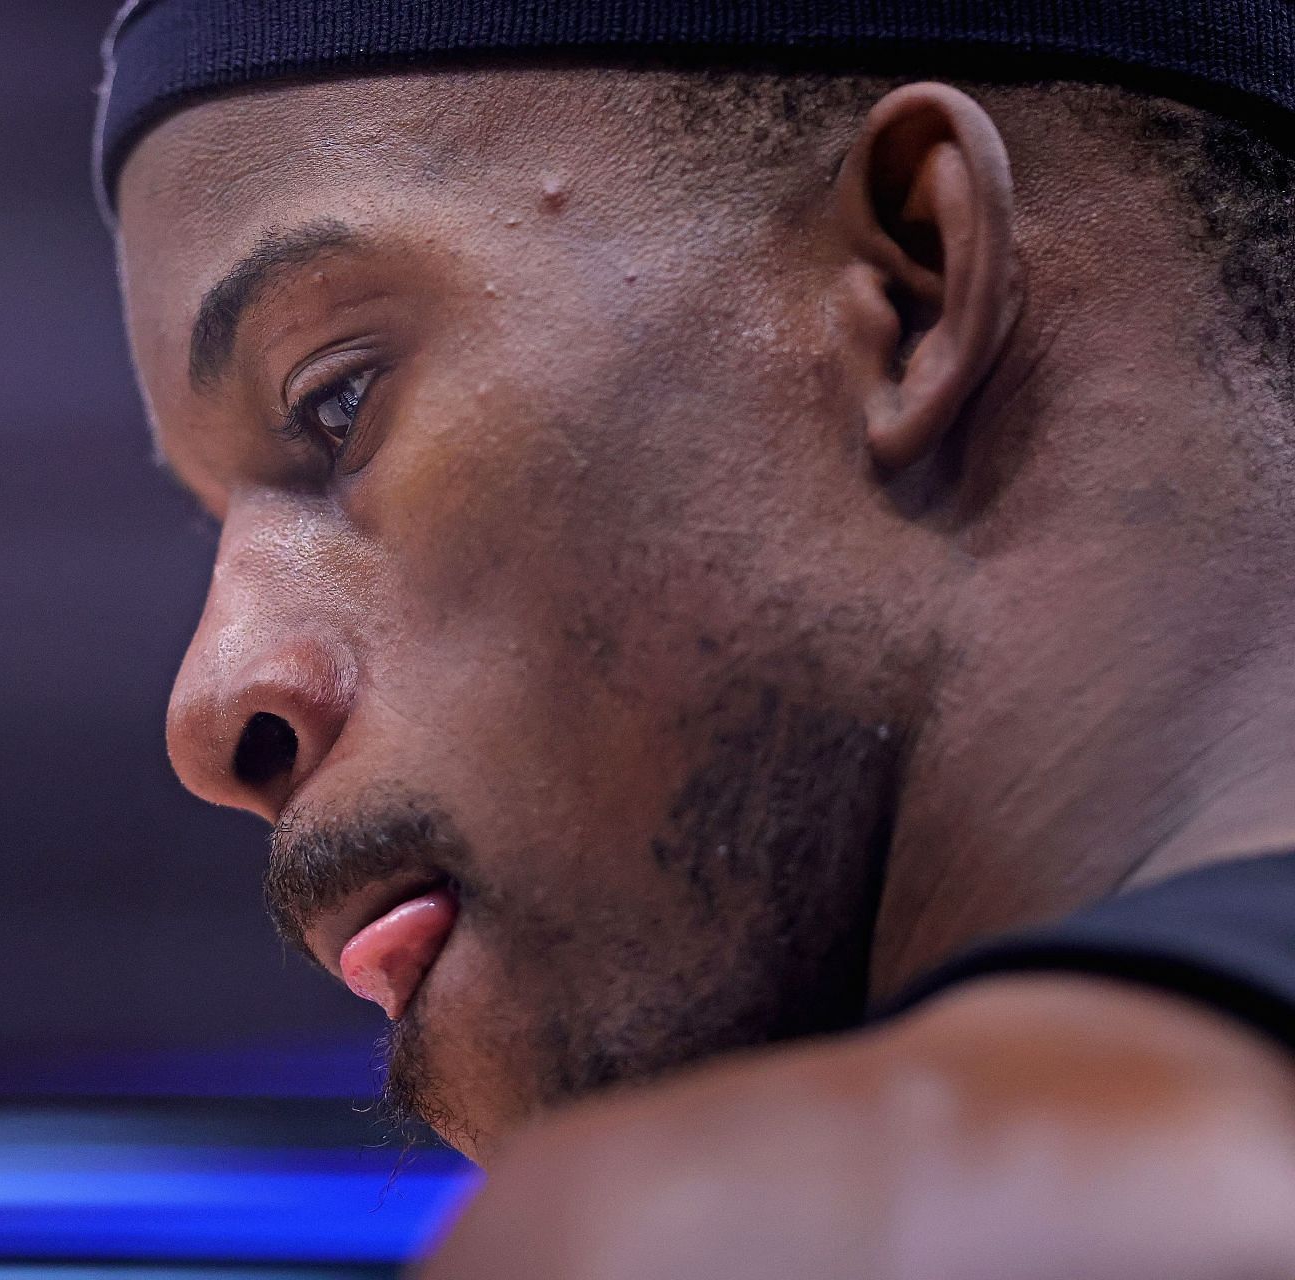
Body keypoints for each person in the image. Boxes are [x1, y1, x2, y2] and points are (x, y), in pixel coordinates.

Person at [96, 2, 1295, 1274]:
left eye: (337, 406)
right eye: (217, 522)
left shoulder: (746, 1230)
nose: (209, 704)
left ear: (907, 284)